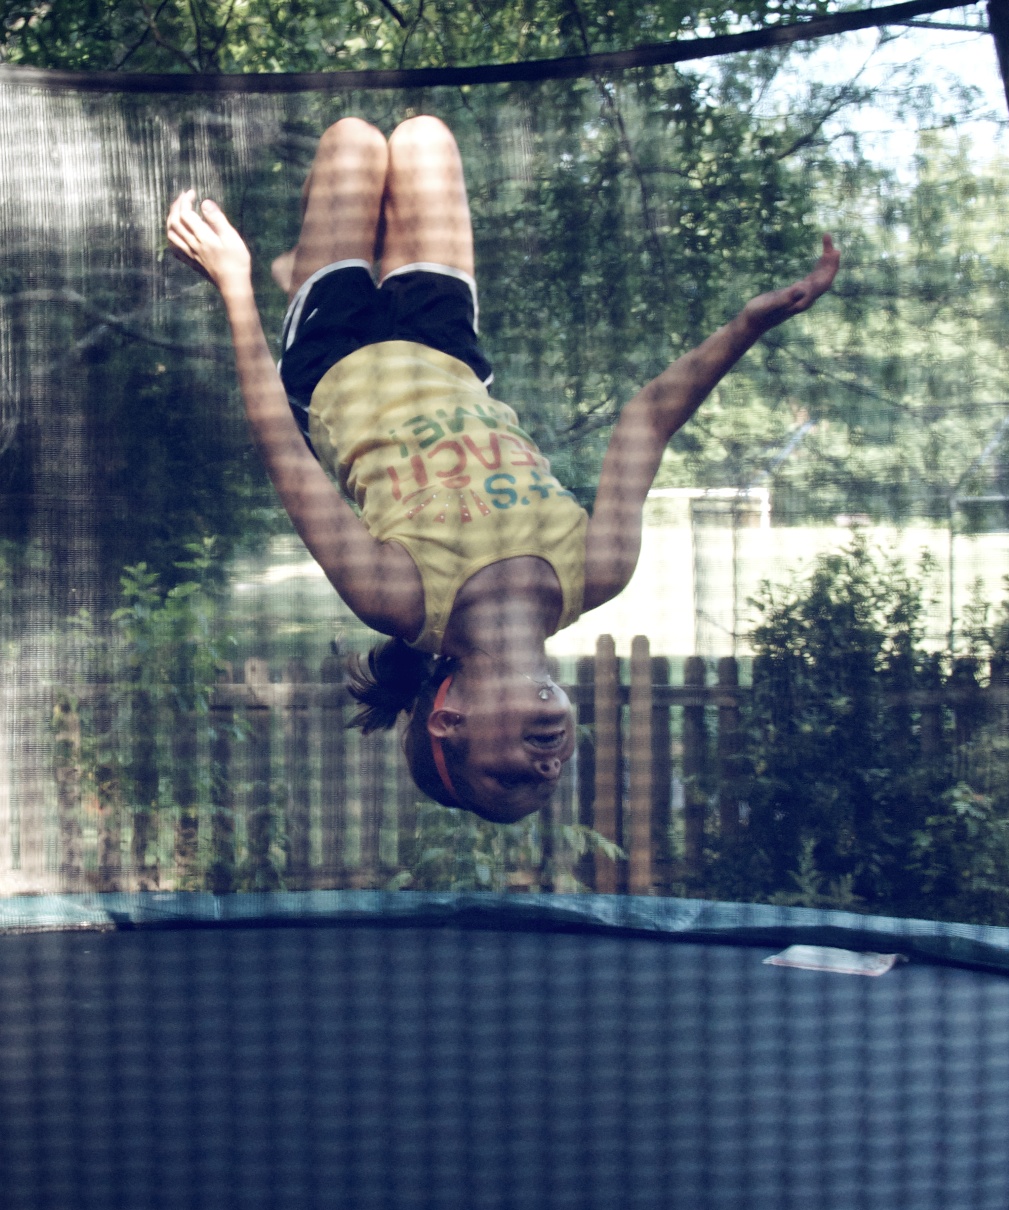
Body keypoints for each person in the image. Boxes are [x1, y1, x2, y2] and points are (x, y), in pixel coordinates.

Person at [166, 115, 838, 823]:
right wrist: (748, 325)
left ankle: (301, 272)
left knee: (355, 142)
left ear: (447, 721)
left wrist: (234, 287)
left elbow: (280, 447)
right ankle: (306, 261)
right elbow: (645, 421)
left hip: (333, 362)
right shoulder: (598, 569)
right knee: (426, 139)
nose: (545, 764)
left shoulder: (401, 599)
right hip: (447, 347)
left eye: (509, 778)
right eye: (549, 778)